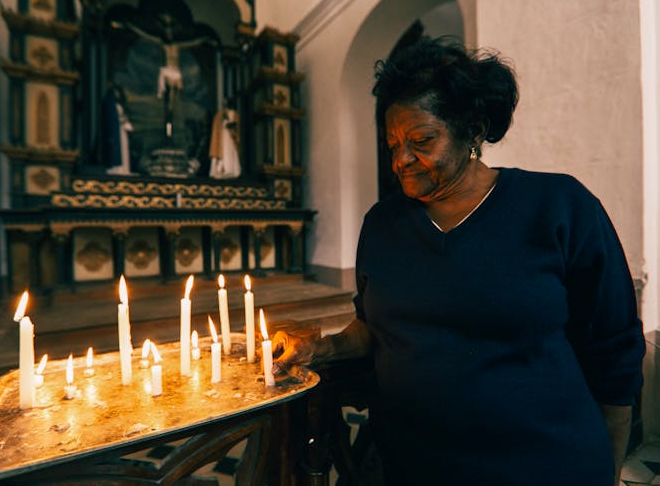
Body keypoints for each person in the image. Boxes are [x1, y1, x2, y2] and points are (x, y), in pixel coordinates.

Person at [271, 36, 646, 486]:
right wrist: (324, 347)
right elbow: (376, 325)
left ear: (473, 128)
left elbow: (615, 350)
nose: (401, 160)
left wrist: (607, 470)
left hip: (546, 464)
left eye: (421, 141)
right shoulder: (384, 224)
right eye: (392, 145)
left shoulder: (559, 207)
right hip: (415, 467)